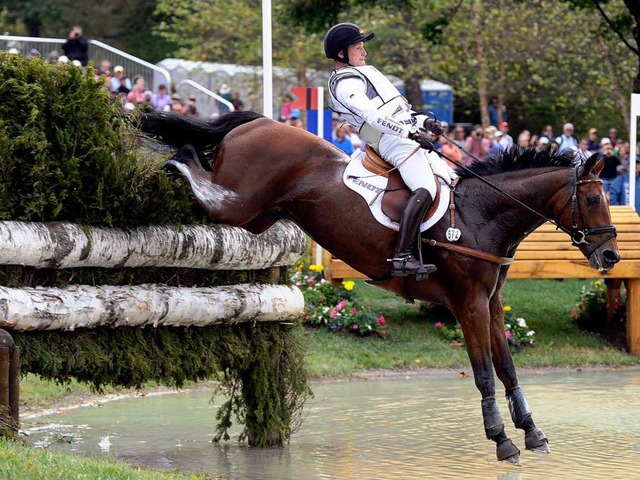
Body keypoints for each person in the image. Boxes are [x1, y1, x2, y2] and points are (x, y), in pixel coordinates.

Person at [324, 22, 454, 278]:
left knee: (448, 178)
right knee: (425, 188)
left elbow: (398, 113)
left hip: (402, 134)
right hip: (389, 141)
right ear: (342, 54)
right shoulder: (345, 83)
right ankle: (402, 257)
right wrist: (410, 133)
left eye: (363, 47)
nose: (364, 52)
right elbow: (372, 116)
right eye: (358, 48)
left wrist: (423, 122)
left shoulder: (364, 72)